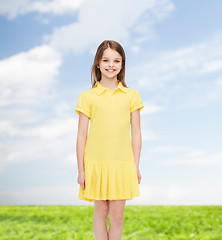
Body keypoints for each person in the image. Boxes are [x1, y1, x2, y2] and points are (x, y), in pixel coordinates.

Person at [75, 40, 144, 240]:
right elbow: (81, 135)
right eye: (105, 60)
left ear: (122, 65)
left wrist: (135, 165)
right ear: (97, 63)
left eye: (116, 60)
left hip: (122, 163)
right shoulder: (87, 96)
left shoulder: (132, 95)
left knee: (117, 215)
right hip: (95, 163)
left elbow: (137, 133)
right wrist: (81, 169)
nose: (110, 65)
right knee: (100, 212)